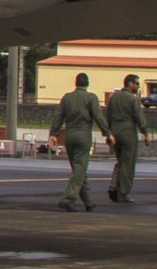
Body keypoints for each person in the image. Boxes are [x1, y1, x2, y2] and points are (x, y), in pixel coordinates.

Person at [50, 72, 106, 212]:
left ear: (75, 83)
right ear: (87, 83)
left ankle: (89, 201)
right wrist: (107, 133)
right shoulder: (91, 98)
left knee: (78, 169)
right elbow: (98, 117)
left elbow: (58, 116)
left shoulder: (67, 98)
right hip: (84, 135)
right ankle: (68, 199)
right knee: (80, 167)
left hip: (69, 135)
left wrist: (54, 134)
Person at [107, 74, 143, 203]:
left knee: (120, 161)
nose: (138, 86)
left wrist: (108, 134)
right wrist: (146, 133)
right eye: (137, 83)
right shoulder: (133, 99)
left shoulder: (113, 97)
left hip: (115, 132)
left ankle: (113, 185)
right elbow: (139, 117)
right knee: (128, 164)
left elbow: (108, 116)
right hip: (128, 133)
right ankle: (123, 193)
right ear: (130, 84)